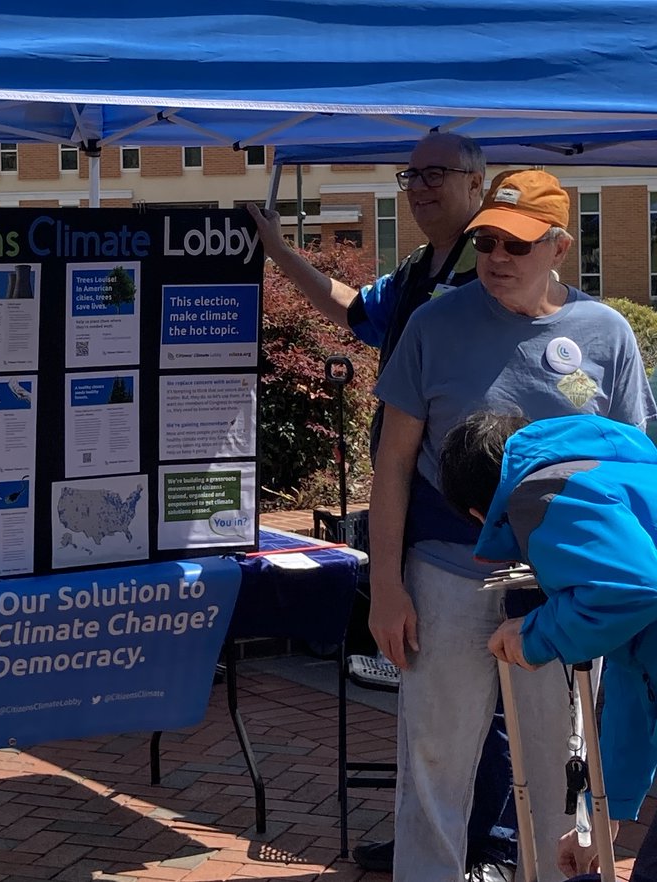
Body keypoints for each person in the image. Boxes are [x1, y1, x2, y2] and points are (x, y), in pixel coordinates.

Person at [369, 168, 656, 882]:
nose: (496, 258)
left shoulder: (606, 332)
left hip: (565, 590)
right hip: (446, 571)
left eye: (516, 245)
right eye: (486, 241)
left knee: (556, 762)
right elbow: (394, 465)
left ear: (559, 248)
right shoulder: (434, 324)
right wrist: (384, 585)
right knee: (434, 759)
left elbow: (635, 463)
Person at [248, 131, 517, 877]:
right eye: (411, 175)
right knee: (430, 698)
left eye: (437, 173)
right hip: (415, 526)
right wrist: (280, 253)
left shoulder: (493, 260)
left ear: (477, 181)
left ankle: (493, 847)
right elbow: (350, 311)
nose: (421, 186)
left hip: (479, 528)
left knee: (486, 705)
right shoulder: (417, 273)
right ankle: (431, 840)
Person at [438, 410, 657, 881]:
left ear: (479, 512)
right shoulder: (627, 475)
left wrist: (535, 634)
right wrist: (597, 820)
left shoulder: (545, 495)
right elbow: (635, 672)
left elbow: (633, 586)